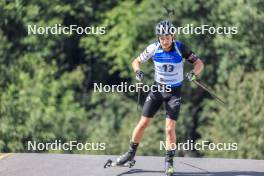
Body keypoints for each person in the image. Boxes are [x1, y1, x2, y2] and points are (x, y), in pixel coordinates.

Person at [116, 20, 204, 175]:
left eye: (167, 37)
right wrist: (138, 72)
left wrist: (193, 73)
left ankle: (169, 162)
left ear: (173, 36)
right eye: (162, 38)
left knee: (169, 128)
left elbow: (199, 63)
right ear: (158, 37)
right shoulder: (153, 48)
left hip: (174, 93)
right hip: (157, 90)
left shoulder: (180, 48)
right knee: (143, 123)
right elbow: (135, 61)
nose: (165, 41)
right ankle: (130, 153)